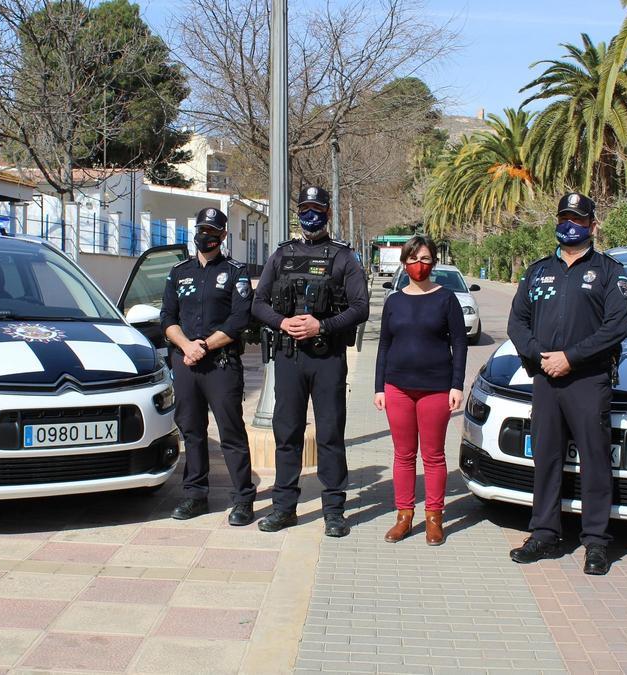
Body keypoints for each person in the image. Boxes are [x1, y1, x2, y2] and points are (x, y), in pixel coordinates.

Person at [506, 192, 627, 574]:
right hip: (546, 379)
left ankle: (595, 542)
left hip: (588, 380)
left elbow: (616, 327)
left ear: (593, 226)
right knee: (545, 457)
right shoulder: (538, 270)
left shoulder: (611, 272)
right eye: (564, 217)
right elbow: (517, 322)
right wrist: (541, 357)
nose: (569, 225)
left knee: (595, 460)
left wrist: (571, 357)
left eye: (578, 219)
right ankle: (543, 533)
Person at [251, 186, 370, 537]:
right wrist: (281, 322)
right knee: (287, 434)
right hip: (289, 357)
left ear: (328, 213)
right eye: (305, 208)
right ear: (298, 211)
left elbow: (360, 307)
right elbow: (258, 304)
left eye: (317, 208)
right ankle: (284, 508)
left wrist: (323, 324)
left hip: (328, 358)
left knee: (331, 434)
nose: (311, 215)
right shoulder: (281, 255)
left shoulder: (344, 257)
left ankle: (334, 511)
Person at [160, 207, 257, 525]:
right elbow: (167, 319)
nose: (206, 235)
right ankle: (194, 495)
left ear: (223, 235)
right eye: (202, 229)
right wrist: (187, 346)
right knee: (192, 431)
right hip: (186, 364)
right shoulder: (179, 272)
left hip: (221, 364)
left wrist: (203, 346)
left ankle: (243, 499)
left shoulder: (235, 272)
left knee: (231, 433)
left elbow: (239, 318)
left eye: (213, 231)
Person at [373, 235, 467, 546]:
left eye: (425, 259)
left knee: (434, 455)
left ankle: (434, 517)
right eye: (413, 260)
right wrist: (379, 388)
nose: (419, 265)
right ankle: (403, 516)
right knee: (403, 454)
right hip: (397, 387)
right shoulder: (394, 301)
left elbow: (459, 344)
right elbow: (384, 344)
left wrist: (456, 384)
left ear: (434, 262)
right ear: (404, 263)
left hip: (436, 389)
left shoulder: (446, 299)